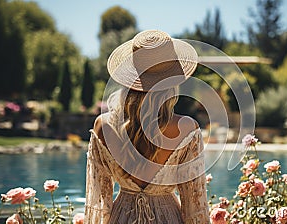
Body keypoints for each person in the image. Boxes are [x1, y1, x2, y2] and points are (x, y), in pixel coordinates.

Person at [84, 30, 209, 223]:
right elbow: (195, 206)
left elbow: (98, 199)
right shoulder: (187, 129)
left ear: (130, 78)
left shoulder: (103, 125)